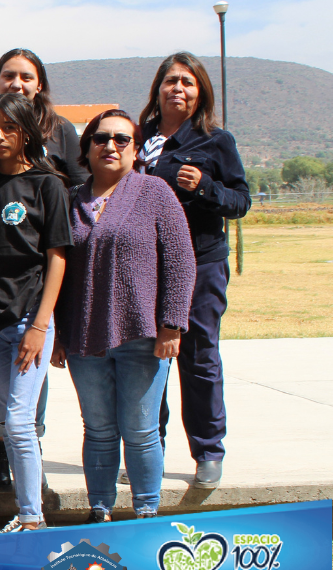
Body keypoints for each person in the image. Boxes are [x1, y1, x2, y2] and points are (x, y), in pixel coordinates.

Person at [51, 109, 196, 522]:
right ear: (87, 148)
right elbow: (57, 269)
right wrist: (58, 332)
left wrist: (172, 324)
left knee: (141, 430)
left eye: (121, 139)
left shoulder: (155, 192)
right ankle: (100, 510)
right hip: (84, 338)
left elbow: (181, 261)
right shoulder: (71, 199)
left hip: (142, 336)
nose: (110, 146)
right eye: (101, 138)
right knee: (98, 429)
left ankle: (146, 512)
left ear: (136, 149)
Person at [137, 52, 251, 489]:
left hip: (201, 264)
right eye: (171, 81)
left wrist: (205, 187)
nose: (178, 89)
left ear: (200, 91)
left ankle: (208, 450)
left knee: (199, 357)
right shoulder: (139, 138)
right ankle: (150, 450)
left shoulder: (215, 141)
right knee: (148, 360)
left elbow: (240, 202)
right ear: (158, 89)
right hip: (145, 267)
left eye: (187, 82)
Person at [0, 93, 73, 532]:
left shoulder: (48, 184)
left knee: (18, 421)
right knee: (5, 423)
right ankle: (27, 510)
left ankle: (33, 517)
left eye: (9, 128)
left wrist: (41, 325)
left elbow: (57, 257)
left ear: (27, 132)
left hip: (29, 320)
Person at [0, 49, 89, 187]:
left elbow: (80, 186)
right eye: (8, 76)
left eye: (26, 78)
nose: (16, 85)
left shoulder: (60, 128)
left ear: (39, 85)